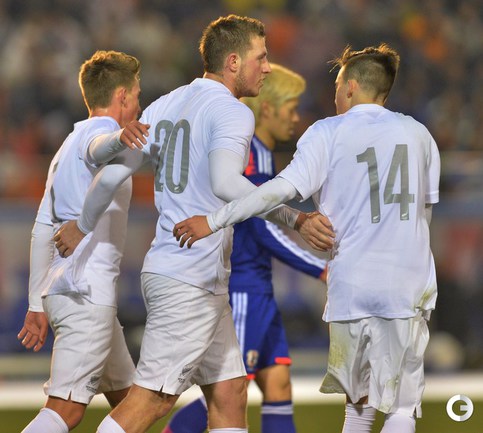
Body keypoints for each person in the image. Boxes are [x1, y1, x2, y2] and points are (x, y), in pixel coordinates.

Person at [53, 15, 334, 433]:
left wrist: (82, 225)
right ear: (234, 62)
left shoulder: (164, 105)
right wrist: (294, 217)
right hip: (188, 276)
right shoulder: (233, 112)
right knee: (152, 399)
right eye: (261, 57)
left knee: (230, 392)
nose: (267, 67)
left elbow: (110, 176)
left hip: (188, 273)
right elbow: (226, 184)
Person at [173, 43, 441, 433]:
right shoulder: (419, 135)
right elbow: (423, 215)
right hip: (407, 286)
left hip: (351, 288)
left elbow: (276, 192)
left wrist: (214, 220)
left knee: (357, 409)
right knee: (400, 408)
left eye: (336, 86)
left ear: (350, 86)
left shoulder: (327, 132)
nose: (334, 95)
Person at [162, 63, 327, 433]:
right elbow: (258, 226)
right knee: (228, 392)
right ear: (268, 109)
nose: (296, 118)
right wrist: (320, 268)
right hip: (243, 288)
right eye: (291, 108)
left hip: (260, 288)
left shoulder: (264, 153)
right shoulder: (249, 153)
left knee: (278, 383)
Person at [16, 50, 149, 433]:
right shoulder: (98, 136)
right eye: (137, 95)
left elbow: (42, 227)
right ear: (122, 95)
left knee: (133, 404)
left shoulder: (65, 147)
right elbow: (100, 146)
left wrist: (35, 302)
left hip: (68, 292)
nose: (139, 104)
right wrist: (118, 137)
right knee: (66, 411)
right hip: (86, 295)